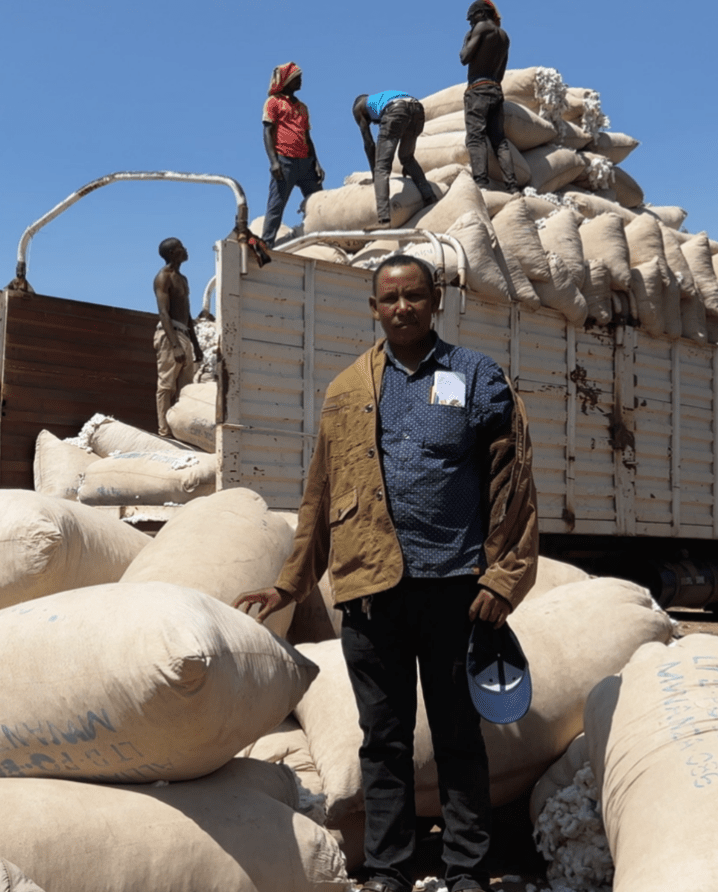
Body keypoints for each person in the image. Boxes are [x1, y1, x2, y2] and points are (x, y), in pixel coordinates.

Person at [235, 254, 538, 892]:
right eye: (389, 298)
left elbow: (514, 484)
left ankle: (465, 870)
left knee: (458, 734)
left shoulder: (475, 375)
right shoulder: (346, 389)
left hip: (456, 586)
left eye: (414, 296)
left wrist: (502, 578)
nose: (402, 308)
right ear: (374, 308)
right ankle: (391, 869)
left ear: (435, 301)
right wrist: (290, 583)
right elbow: (318, 495)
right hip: (372, 594)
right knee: (383, 739)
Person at [260, 61, 325, 246]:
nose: (300, 81)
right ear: (287, 80)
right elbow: (267, 133)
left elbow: (307, 136)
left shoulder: (302, 107)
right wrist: (274, 162)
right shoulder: (274, 103)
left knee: (318, 202)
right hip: (284, 161)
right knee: (276, 205)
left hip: (306, 162)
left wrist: (316, 163)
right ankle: (267, 245)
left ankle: (323, 237)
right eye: (297, 78)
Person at [352, 91, 438, 229]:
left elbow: (369, 144)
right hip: (417, 109)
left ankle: (384, 219)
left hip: (396, 110)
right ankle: (430, 197)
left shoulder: (359, 107)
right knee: (407, 158)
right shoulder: (381, 98)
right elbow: (403, 120)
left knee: (382, 168)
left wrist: (375, 175)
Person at [460, 0, 520, 193]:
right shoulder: (504, 36)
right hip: (495, 88)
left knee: (475, 137)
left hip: (478, 89)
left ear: (481, 14)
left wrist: (467, 38)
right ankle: (512, 186)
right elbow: (501, 73)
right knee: (499, 141)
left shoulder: (480, 28)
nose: (471, 23)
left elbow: (464, 57)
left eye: (471, 19)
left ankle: (481, 183)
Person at [153, 237, 203, 437]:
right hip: (170, 334)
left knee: (186, 387)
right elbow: (164, 313)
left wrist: (196, 345)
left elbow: (188, 314)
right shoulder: (163, 277)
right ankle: (164, 430)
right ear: (174, 252)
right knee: (166, 385)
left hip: (184, 334)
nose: (186, 250)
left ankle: (181, 432)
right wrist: (174, 345)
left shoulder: (183, 279)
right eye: (181, 247)